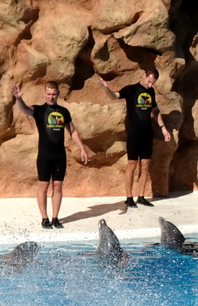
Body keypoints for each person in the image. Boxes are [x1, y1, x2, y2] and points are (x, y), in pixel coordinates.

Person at [13, 81, 90, 229]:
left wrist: (82, 148)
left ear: (58, 94)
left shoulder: (63, 112)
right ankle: (44, 218)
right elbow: (25, 109)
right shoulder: (40, 111)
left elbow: (72, 131)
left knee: (58, 186)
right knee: (43, 185)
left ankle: (55, 218)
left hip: (59, 155)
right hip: (44, 155)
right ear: (44, 94)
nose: (51, 97)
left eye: (54, 94)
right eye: (48, 94)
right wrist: (19, 99)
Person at [100, 68, 172, 208]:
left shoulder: (150, 92)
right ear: (144, 75)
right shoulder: (131, 89)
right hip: (134, 133)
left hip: (147, 133)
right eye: (149, 81)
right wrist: (106, 88)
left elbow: (155, 111)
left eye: (153, 83)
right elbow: (114, 96)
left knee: (145, 165)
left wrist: (163, 128)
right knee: (132, 165)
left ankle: (141, 196)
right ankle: (129, 197)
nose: (150, 85)